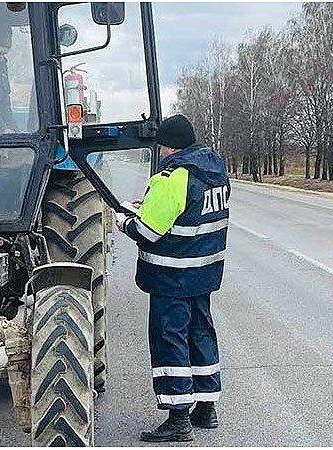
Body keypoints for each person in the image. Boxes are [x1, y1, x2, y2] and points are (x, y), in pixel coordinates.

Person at [114, 114, 230, 442]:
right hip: (203, 274)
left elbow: (149, 231)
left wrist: (126, 221)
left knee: (170, 339)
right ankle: (206, 409)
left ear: (167, 147)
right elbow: (189, 214)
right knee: (201, 333)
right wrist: (149, 206)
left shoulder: (171, 176)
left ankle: (178, 418)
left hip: (171, 276)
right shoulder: (215, 172)